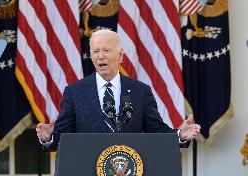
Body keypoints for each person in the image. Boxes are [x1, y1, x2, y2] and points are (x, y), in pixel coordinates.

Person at [36, 29, 201, 151]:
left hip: (129, 174)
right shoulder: (74, 92)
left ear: (120, 56)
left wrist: (179, 135)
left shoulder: (140, 91)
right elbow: (62, 137)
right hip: (87, 174)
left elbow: (156, 131)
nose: (100, 56)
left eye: (106, 50)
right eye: (95, 51)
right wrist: (49, 138)